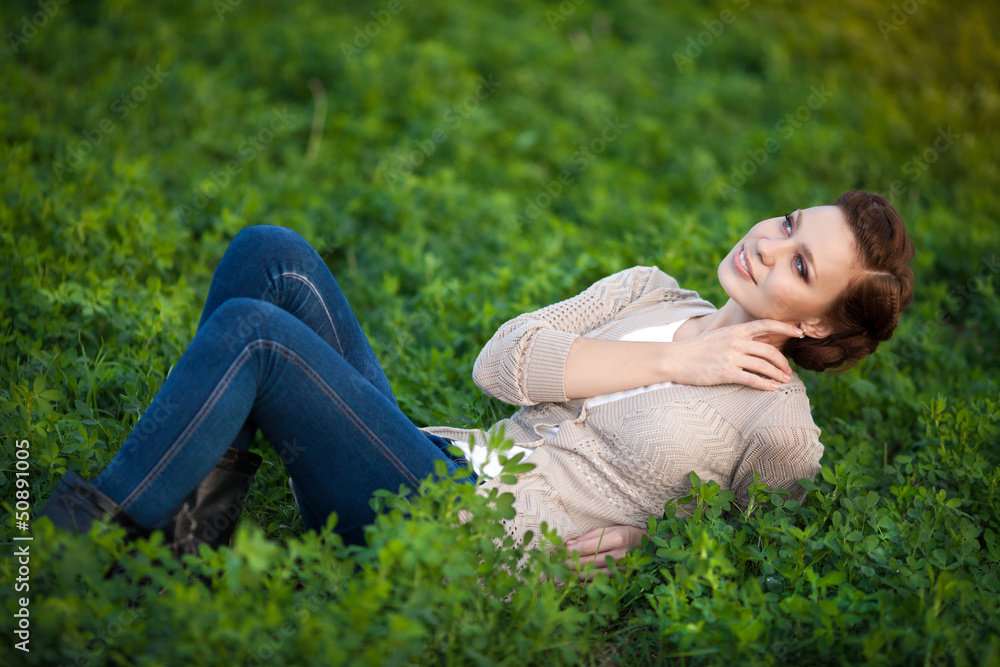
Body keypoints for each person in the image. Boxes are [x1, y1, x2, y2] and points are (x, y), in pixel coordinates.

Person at [38, 190, 914, 574]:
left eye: (801, 264)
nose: (768, 244)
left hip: (470, 539)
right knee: (273, 256)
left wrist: (637, 555)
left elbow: (757, 557)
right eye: (788, 223)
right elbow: (499, 364)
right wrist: (671, 361)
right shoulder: (651, 293)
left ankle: (78, 546)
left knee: (253, 335)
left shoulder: (777, 425)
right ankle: (192, 535)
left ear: (817, 326)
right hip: (433, 464)